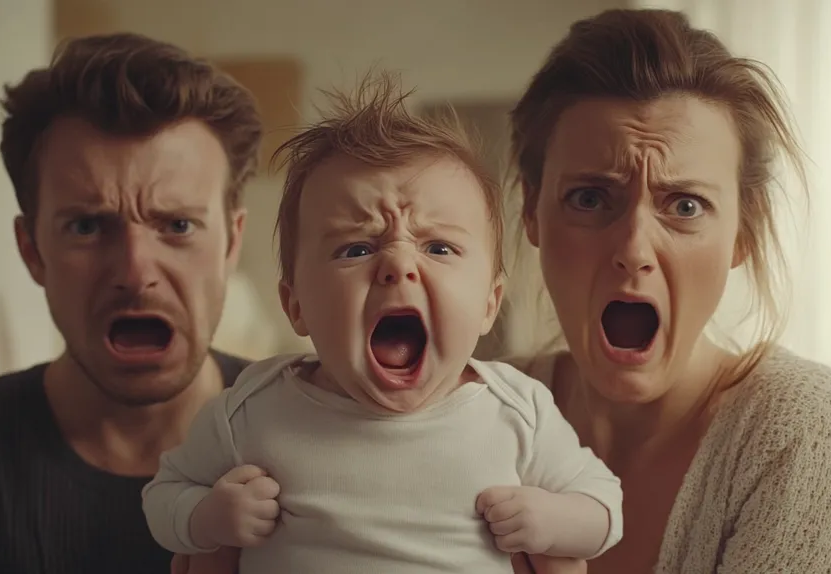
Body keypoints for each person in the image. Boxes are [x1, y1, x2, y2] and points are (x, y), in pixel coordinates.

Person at [141, 73, 624, 574]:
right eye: (356, 248)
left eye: (439, 247)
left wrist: (554, 520)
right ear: (296, 303)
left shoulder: (517, 414)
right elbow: (162, 498)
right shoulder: (251, 410)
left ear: (489, 302)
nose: (399, 265)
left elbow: (605, 507)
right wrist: (208, 517)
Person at [504, 8, 831, 573]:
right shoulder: (475, 408)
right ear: (531, 212)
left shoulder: (809, 432)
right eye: (589, 198)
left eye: (685, 206)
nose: (635, 249)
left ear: (744, 232)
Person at [0, 33, 262, 574]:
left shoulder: (317, 438)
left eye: (178, 225)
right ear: (32, 251)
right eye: (86, 226)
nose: (135, 274)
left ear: (230, 242)